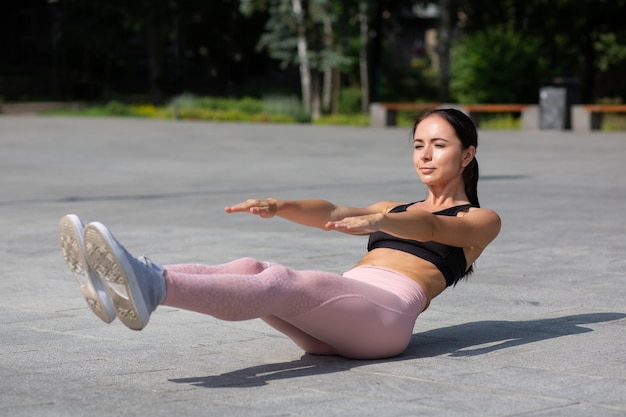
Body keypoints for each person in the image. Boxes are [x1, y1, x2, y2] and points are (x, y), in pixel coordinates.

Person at [58, 108, 501, 360]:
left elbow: (431, 226)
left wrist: (379, 222)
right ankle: (127, 277)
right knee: (249, 267)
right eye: (418, 144)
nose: (425, 155)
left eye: (439, 145)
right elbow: (330, 211)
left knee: (284, 282)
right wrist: (280, 206)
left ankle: (150, 287)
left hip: (384, 321)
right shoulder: (391, 206)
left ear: (467, 155)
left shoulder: (482, 219)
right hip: (342, 318)